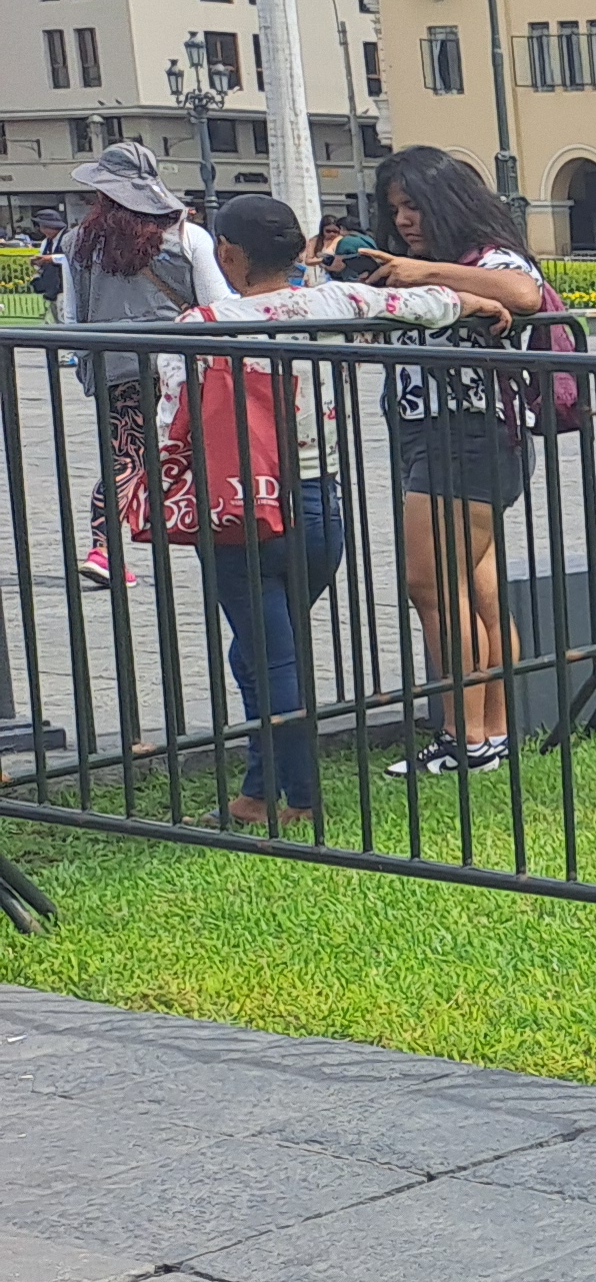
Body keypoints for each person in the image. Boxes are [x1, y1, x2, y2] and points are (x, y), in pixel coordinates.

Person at [181, 195, 514, 827]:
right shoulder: (333, 303)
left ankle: (299, 799)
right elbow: (424, 302)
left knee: (270, 656)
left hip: (240, 505)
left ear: (227, 254)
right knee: (258, 652)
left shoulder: (206, 321)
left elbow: (167, 396)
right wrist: (478, 303)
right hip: (319, 506)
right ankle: (259, 789)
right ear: (302, 251)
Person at [347, 148, 554, 776]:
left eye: (414, 206)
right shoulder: (425, 265)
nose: (405, 220)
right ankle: (489, 733)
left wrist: (424, 273)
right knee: (477, 594)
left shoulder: (488, 257)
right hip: (432, 432)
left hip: (466, 432)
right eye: (395, 210)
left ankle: (462, 739)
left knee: (430, 587)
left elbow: (525, 292)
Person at [52, 144, 212, 587]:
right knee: (201, 447)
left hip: (111, 364)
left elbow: (72, 316)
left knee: (124, 453)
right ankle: (214, 529)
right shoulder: (186, 239)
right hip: (176, 364)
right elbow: (218, 305)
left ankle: (107, 547)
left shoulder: (76, 242)